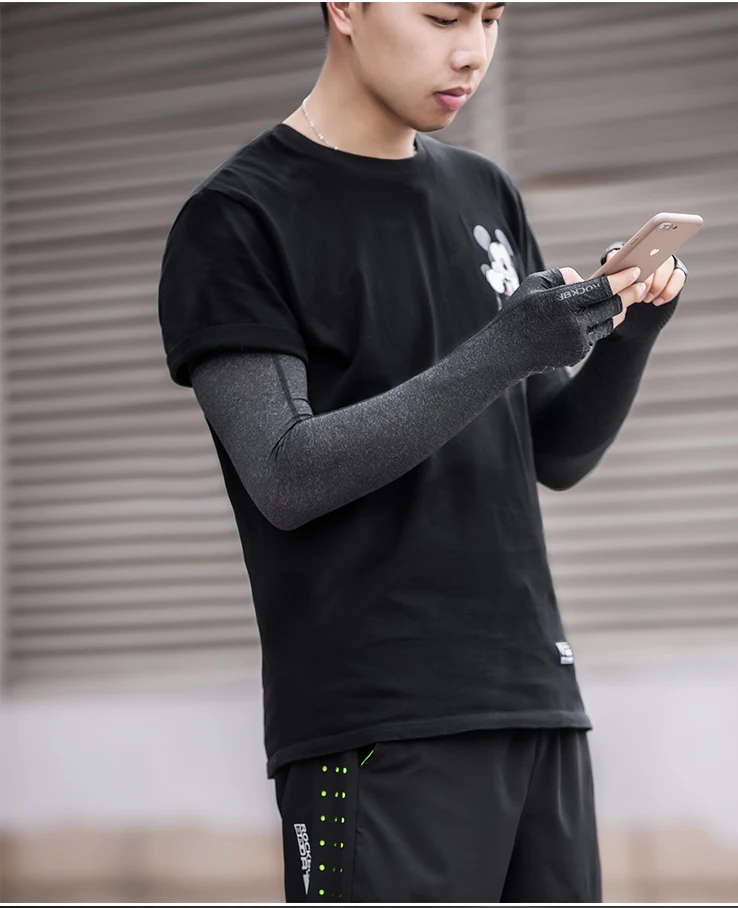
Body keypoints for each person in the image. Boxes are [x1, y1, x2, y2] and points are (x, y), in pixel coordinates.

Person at [157, 2, 689, 901]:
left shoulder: (485, 193)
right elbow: (284, 472)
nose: (473, 52)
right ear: (345, 9)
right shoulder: (238, 218)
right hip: (376, 728)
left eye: (491, 17)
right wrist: (506, 348)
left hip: (537, 704)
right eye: (444, 16)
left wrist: (630, 331)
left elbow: (553, 451)